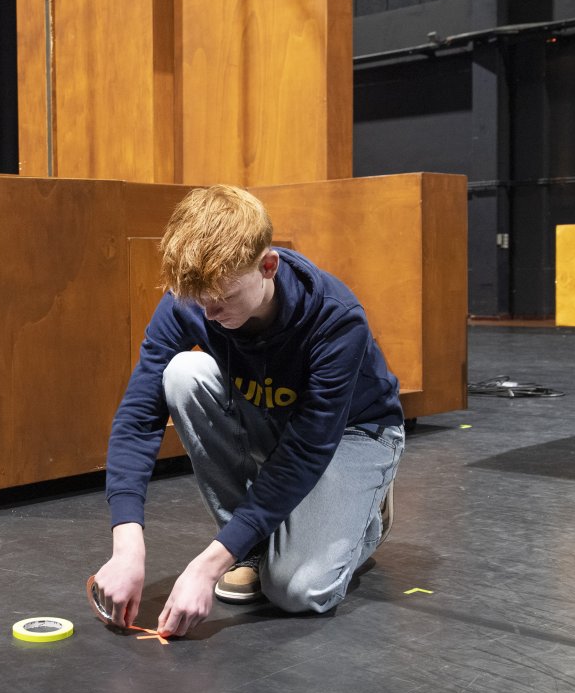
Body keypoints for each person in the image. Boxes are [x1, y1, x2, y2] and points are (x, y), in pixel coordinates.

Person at [93, 184, 405, 639]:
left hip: (353, 433)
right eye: (200, 301)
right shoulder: (193, 299)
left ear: (268, 267)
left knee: (298, 591)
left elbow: (304, 451)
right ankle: (254, 545)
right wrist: (127, 544)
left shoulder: (335, 320)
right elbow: (139, 414)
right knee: (183, 373)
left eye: (224, 299)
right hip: (271, 413)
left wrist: (207, 564)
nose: (210, 313)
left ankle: (367, 517)